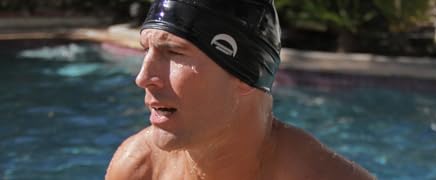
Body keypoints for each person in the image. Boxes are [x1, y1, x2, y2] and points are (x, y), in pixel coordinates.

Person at [105, 0, 375, 179]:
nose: (143, 77)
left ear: (245, 74)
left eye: (174, 52)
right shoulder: (138, 169)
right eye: (146, 50)